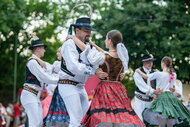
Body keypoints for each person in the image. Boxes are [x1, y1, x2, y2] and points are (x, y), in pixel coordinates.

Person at [68, 30, 145, 127]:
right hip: (118, 90)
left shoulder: (103, 57)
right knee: (118, 116)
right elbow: (104, 52)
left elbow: (86, 50)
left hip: (106, 89)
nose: (105, 41)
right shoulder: (122, 58)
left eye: (106, 38)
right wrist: (92, 44)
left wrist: (74, 38)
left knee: (105, 117)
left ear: (110, 41)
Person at [44, 17, 105, 127]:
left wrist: (97, 67)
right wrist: (94, 71)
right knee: (76, 120)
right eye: (86, 31)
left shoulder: (88, 46)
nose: (89, 34)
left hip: (80, 86)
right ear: (77, 30)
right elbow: (74, 67)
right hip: (67, 84)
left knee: (87, 119)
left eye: (90, 31)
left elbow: (101, 57)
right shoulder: (69, 44)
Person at [136, 56, 190, 127]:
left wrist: (138, 71)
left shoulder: (158, 74)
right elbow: (172, 88)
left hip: (162, 96)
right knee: (170, 116)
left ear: (163, 64)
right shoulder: (173, 74)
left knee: (161, 116)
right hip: (171, 97)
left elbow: (146, 76)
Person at [20, 37, 59, 127]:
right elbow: (45, 77)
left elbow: (50, 68)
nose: (44, 51)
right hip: (30, 94)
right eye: (43, 49)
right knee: (35, 123)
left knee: (38, 122)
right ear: (38, 49)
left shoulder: (37, 62)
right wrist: (61, 80)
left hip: (34, 95)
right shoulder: (32, 62)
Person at [133, 54, 163, 120]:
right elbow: (142, 86)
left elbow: (160, 83)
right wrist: (153, 91)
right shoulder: (137, 73)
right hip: (140, 100)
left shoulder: (155, 72)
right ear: (143, 62)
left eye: (151, 61)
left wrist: (157, 92)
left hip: (151, 101)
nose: (150, 63)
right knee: (140, 120)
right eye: (148, 62)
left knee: (151, 120)